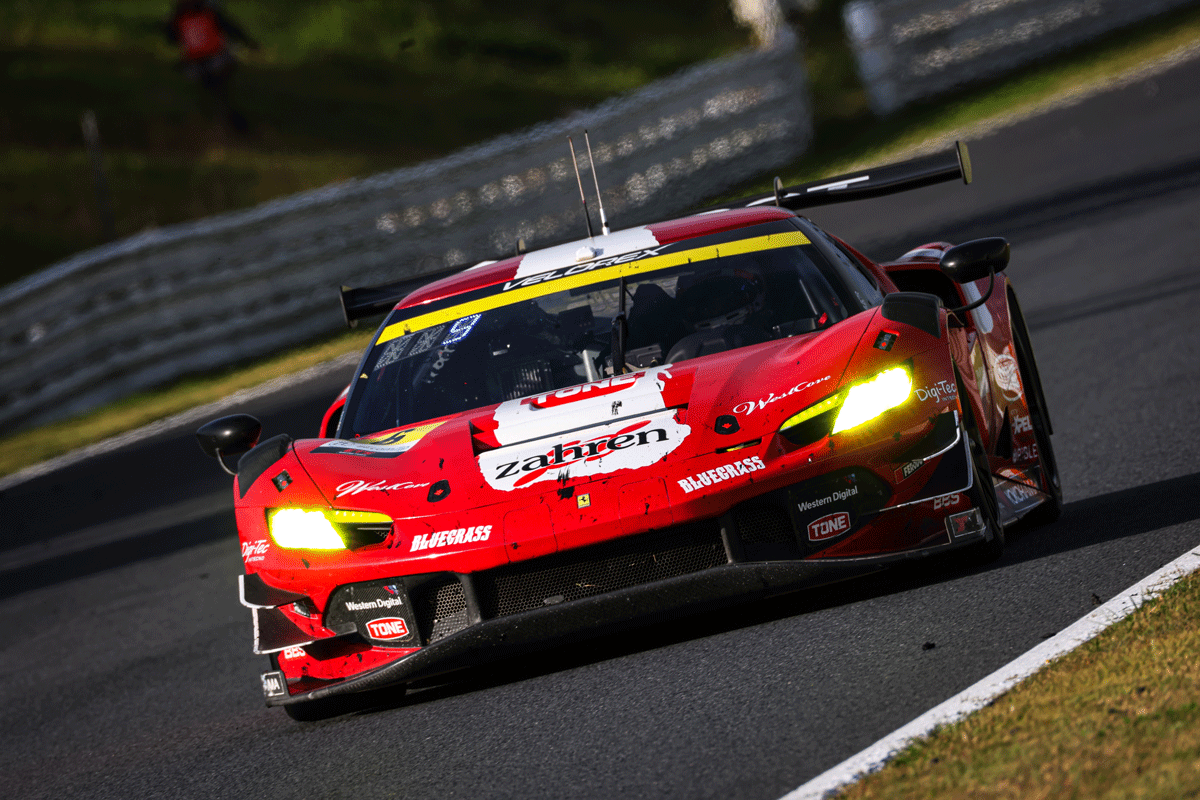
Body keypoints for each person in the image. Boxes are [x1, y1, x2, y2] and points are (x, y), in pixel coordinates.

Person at [164, 0, 259, 132]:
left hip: (211, 61)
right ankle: (224, 119)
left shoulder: (202, 13)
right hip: (201, 63)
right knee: (216, 93)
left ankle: (228, 119)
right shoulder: (183, 16)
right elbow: (172, 37)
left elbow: (171, 38)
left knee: (218, 93)